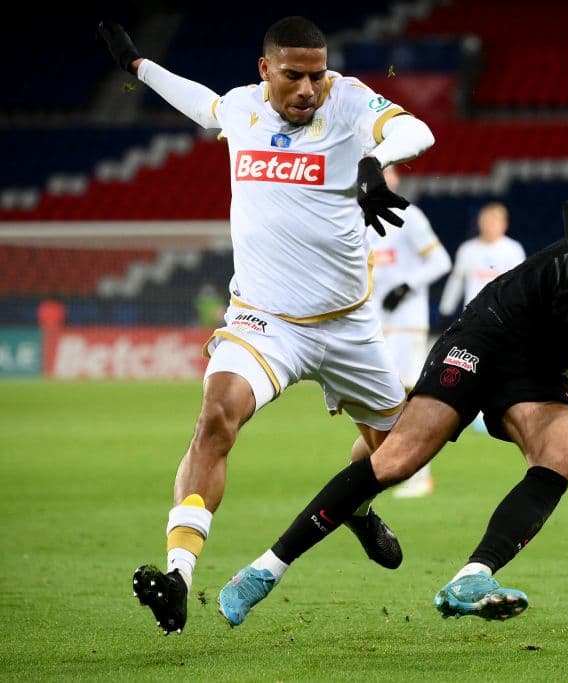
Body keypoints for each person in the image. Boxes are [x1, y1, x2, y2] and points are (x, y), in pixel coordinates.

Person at [216, 197, 568, 626]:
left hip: (539, 368)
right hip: (491, 327)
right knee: (401, 458)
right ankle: (264, 570)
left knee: (563, 451)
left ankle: (472, 579)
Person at [97, 16, 436, 635]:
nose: (309, 88)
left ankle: (356, 504)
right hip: (265, 320)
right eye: (294, 75)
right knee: (216, 415)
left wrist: (374, 161)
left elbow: (418, 129)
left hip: (348, 325)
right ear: (265, 70)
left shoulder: (350, 98)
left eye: (316, 74)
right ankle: (179, 575)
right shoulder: (242, 110)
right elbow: (200, 101)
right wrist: (137, 67)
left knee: (404, 453)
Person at [368, 165, 452, 497]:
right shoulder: (358, 216)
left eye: (384, 170)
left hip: (405, 321)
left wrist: (405, 286)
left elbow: (440, 261)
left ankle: (418, 473)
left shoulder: (409, 215)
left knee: (408, 395)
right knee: (379, 397)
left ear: (395, 178)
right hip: (373, 323)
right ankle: (389, 464)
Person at [437, 202, 525, 430]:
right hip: (474, 318)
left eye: (494, 221)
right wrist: (446, 310)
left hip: (504, 318)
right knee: (472, 365)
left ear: (504, 224)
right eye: (485, 221)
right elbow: (456, 281)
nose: (489, 226)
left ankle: (504, 410)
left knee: (502, 366)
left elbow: (520, 286)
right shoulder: (468, 250)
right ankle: (474, 414)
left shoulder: (512, 250)